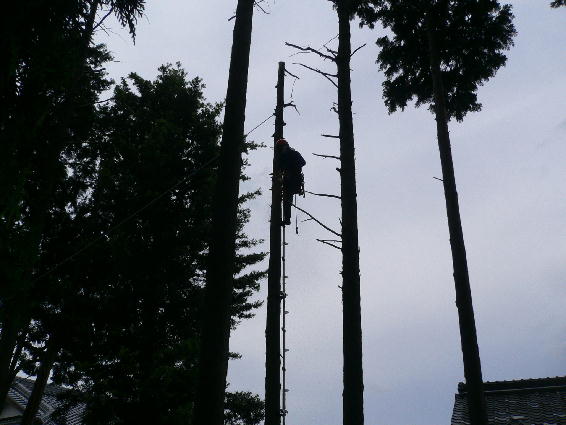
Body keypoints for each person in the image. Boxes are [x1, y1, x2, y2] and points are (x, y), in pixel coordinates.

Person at [276, 138, 306, 225]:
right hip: (289, 181)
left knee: (287, 199)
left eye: (281, 148)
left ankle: (287, 219)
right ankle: (287, 219)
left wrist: (292, 168)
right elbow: (280, 168)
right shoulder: (282, 157)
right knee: (286, 200)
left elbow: (303, 162)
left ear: (285, 146)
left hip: (295, 180)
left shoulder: (294, 154)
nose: (281, 150)